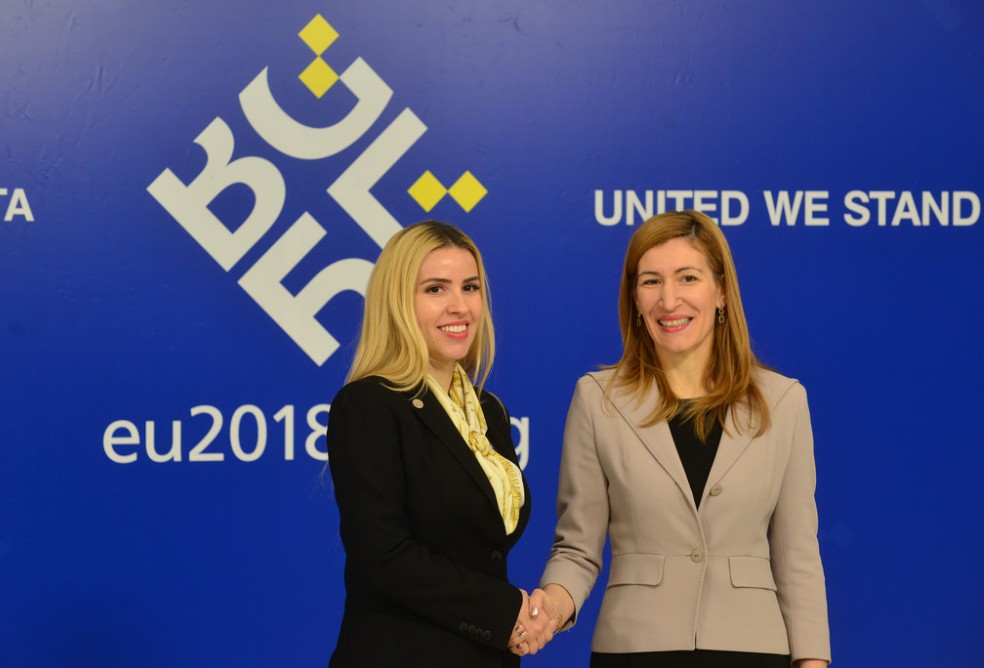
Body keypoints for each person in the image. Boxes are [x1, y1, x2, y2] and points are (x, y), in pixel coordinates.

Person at [539, 210, 831, 667]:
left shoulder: (784, 401)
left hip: (752, 650)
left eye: (688, 278)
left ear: (721, 291)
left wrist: (812, 660)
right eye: (651, 281)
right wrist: (550, 609)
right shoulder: (597, 400)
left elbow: (797, 555)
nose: (669, 300)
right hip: (634, 649)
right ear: (634, 298)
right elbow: (577, 548)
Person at [326, 221, 556, 667]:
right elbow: (383, 555)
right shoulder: (368, 404)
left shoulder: (488, 412)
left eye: (470, 287)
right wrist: (504, 611)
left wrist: (516, 617)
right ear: (398, 302)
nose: (459, 306)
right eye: (435, 289)